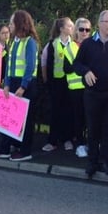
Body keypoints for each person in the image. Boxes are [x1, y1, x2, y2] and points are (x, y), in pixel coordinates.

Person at [73, 10, 108, 178]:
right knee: (93, 128)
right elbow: (77, 64)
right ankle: (92, 162)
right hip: (93, 93)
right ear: (100, 23)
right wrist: (85, 71)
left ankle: (106, 162)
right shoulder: (88, 44)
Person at [0, 10, 40, 162]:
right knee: (10, 116)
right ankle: (5, 148)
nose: (9, 26)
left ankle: (25, 151)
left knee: (26, 119)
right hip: (14, 83)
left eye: (11, 23)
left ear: (20, 24)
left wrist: (23, 86)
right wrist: (7, 84)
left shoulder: (29, 42)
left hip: (27, 84)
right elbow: (9, 66)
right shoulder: (14, 42)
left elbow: (30, 66)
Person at [41, 17, 75, 152]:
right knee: (55, 112)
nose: (72, 28)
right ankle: (52, 141)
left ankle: (68, 139)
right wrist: (47, 81)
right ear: (62, 29)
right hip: (56, 83)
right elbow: (45, 63)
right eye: (69, 26)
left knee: (68, 112)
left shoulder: (74, 45)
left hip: (71, 84)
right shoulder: (52, 44)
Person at [69, 17, 91, 158]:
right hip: (76, 87)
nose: (84, 32)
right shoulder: (71, 46)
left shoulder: (91, 45)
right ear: (76, 30)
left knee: (90, 118)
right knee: (78, 118)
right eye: (81, 29)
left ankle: (90, 143)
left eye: (87, 30)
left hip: (90, 87)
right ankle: (80, 144)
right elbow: (71, 66)